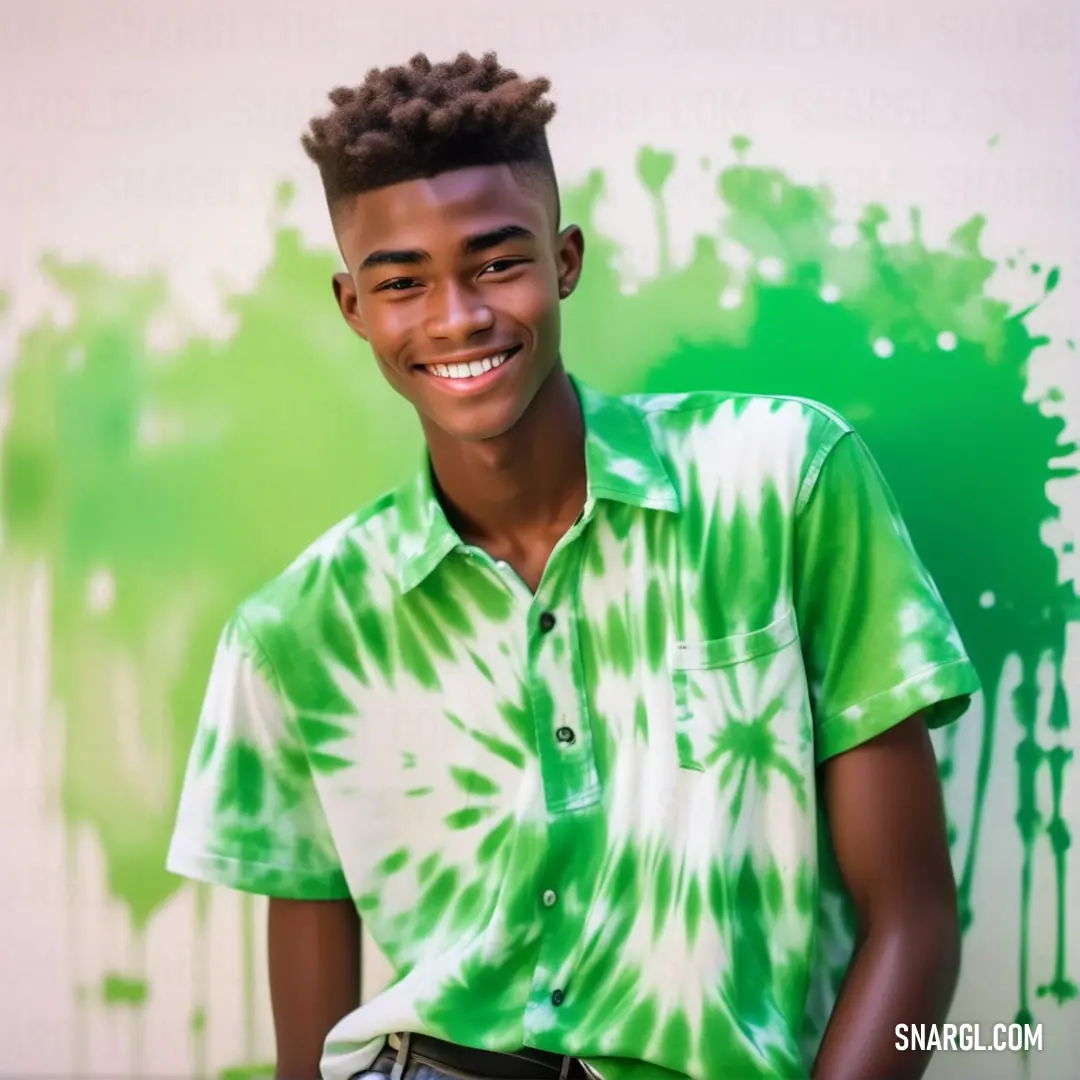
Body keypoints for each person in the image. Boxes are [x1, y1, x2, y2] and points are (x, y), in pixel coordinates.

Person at [166, 50, 981, 1080]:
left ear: (566, 261)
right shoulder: (297, 634)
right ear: (352, 307)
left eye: (496, 262)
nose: (457, 316)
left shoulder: (783, 483)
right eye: (402, 283)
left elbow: (914, 926)